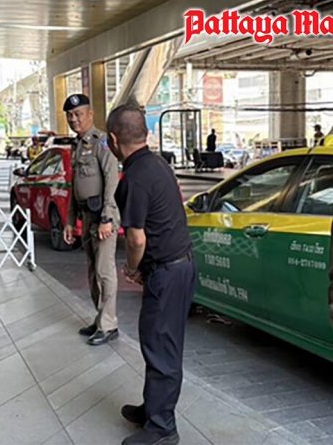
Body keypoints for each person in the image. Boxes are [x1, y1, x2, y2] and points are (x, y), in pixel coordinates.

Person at [107, 104, 195, 445]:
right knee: (158, 342)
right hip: (178, 265)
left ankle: (162, 429)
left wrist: (131, 268)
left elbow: (136, 238)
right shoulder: (157, 164)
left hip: (168, 271)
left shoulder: (135, 177)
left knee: (161, 347)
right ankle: (153, 408)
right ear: (145, 133)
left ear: (113, 139)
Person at [62, 93, 120, 346]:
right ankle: (100, 319)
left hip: (102, 216)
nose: (74, 119)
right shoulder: (77, 145)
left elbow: (111, 181)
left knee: (104, 271)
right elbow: (75, 185)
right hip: (86, 215)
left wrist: (107, 217)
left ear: (90, 114)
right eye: (70, 116)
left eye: (78, 114)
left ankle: (109, 324)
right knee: (92, 270)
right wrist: (69, 220)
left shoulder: (101, 142)